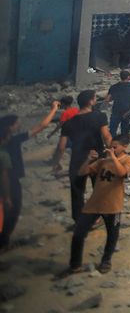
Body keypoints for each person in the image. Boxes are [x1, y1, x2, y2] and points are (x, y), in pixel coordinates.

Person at [65, 136, 130, 274]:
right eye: (111, 146)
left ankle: (106, 260)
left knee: (112, 235)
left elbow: (122, 173)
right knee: (79, 233)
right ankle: (75, 264)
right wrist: (89, 159)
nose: (112, 149)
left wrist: (113, 157)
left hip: (113, 205)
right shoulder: (103, 162)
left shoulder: (127, 160)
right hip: (94, 203)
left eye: (115, 147)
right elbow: (82, 172)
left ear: (124, 147)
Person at [0, 101, 59, 249]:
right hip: (10, 182)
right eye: (17, 123)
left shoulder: (8, 141)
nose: (19, 125)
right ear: (10, 127)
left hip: (8, 180)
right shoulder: (13, 141)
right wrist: (54, 109)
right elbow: (42, 126)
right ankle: (3, 242)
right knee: (12, 210)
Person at [55, 90, 111, 221]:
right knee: (99, 187)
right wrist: (112, 152)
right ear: (91, 101)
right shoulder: (100, 116)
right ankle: (100, 215)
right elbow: (106, 136)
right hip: (96, 156)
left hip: (78, 158)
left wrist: (56, 162)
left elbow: (61, 146)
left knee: (77, 191)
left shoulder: (69, 123)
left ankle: (79, 219)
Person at [105, 71, 130, 139]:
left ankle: (111, 144)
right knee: (125, 128)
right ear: (128, 77)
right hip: (127, 110)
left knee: (113, 129)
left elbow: (107, 99)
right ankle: (122, 144)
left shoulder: (114, 86)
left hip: (116, 109)